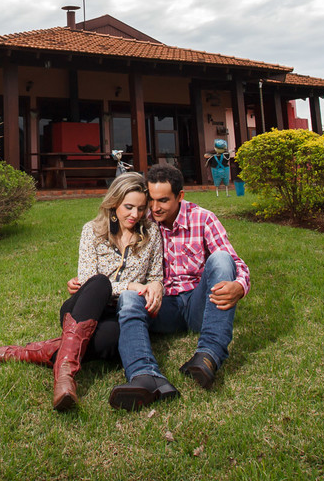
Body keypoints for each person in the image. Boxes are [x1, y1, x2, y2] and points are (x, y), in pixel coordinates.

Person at [0, 173, 177, 411]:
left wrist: (156, 286)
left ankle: (14, 353)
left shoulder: (150, 234)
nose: (135, 215)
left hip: (117, 316)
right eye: (128, 207)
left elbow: (154, 276)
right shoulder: (93, 231)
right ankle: (65, 379)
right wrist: (130, 286)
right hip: (84, 307)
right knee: (100, 283)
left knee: (114, 340)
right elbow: (88, 281)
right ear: (114, 203)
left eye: (141, 208)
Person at [103, 162, 250, 407]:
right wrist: (87, 281)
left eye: (163, 200)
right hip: (162, 307)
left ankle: (209, 356)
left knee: (222, 260)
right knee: (129, 298)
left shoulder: (203, 219)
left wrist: (240, 286)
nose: (154, 207)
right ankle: (143, 375)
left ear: (180, 196)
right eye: (151, 199)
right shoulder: (143, 221)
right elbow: (111, 250)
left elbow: (236, 262)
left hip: (198, 304)